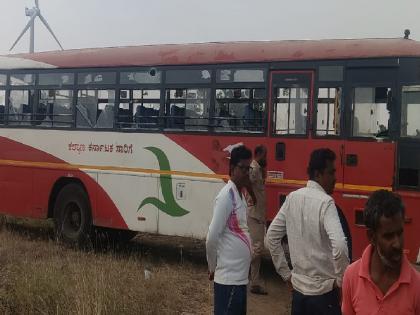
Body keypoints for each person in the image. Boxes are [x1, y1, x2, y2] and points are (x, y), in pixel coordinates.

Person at [266, 148, 349, 315]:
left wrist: (286, 274)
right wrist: (341, 281)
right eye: (331, 172)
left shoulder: (292, 198)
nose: (335, 178)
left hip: (299, 295)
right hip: (324, 296)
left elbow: (271, 237)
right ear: (318, 174)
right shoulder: (326, 203)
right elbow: (340, 246)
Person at [342, 190, 420, 315]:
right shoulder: (351, 277)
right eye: (388, 236)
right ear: (371, 236)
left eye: (400, 233)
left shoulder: (417, 285)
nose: (397, 244)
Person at [206, 145, 253, 315]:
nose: (247, 172)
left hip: (239, 280)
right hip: (228, 281)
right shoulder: (226, 196)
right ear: (232, 169)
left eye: (249, 168)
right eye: (243, 168)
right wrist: (212, 267)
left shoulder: (240, 195)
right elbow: (212, 237)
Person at [246, 145, 268, 295]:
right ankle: (236, 266)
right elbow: (247, 182)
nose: (266, 157)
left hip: (259, 214)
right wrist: (252, 197)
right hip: (254, 214)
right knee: (257, 250)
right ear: (259, 154)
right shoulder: (253, 168)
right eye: (265, 155)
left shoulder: (259, 169)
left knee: (257, 249)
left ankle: (254, 283)